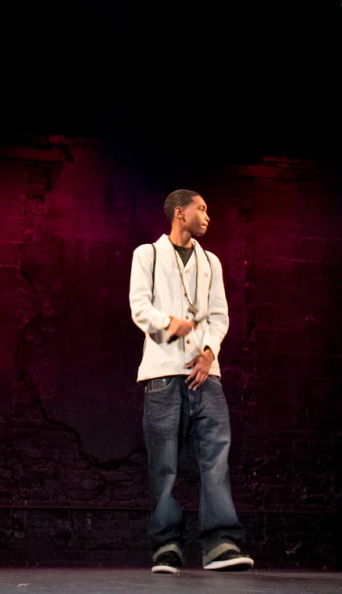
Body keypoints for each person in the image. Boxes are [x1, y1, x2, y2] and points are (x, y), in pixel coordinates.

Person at [129, 189, 254, 574]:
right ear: (179, 213)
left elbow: (219, 316)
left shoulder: (211, 262)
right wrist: (170, 324)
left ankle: (221, 544)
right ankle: (167, 546)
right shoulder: (147, 254)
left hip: (206, 375)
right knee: (165, 465)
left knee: (216, 458)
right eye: (201, 208)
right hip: (163, 374)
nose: (207, 216)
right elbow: (140, 307)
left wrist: (209, 352)